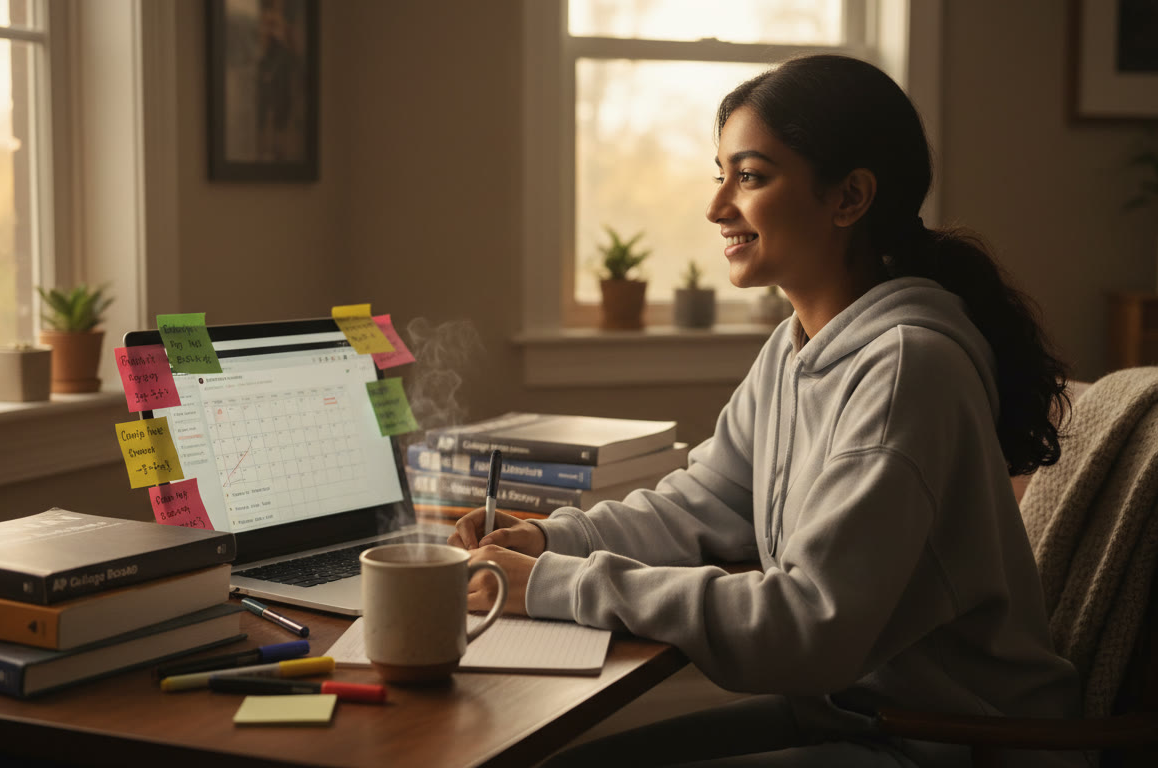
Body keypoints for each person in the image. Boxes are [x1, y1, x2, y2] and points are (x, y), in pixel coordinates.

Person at [450, 54, 1081, 768]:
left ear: (849, 198)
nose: (718, 207)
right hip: (855, 716)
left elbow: (807, 626)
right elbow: (701, 502)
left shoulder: (907, 371)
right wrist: (548, 542)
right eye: (720, 176)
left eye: (749, 177)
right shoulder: (796, 348)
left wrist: (555, 587)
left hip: (956, 745)